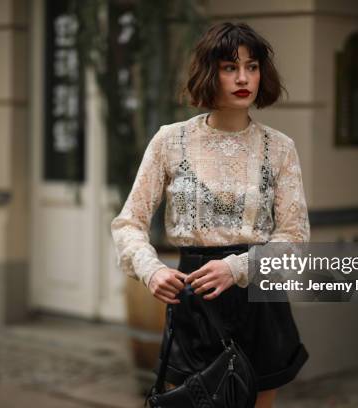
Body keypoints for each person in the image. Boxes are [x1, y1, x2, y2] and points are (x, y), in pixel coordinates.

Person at [111, 21, 310, 408]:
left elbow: (295, 239)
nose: (243, 78)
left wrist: (236, 269)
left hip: (258, 299)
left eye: (252, 67)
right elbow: (128, 223)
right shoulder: (171, 140)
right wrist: (151, 270)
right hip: (193, 298)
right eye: (229, 67)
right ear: (208, 71)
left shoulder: (280, 148)